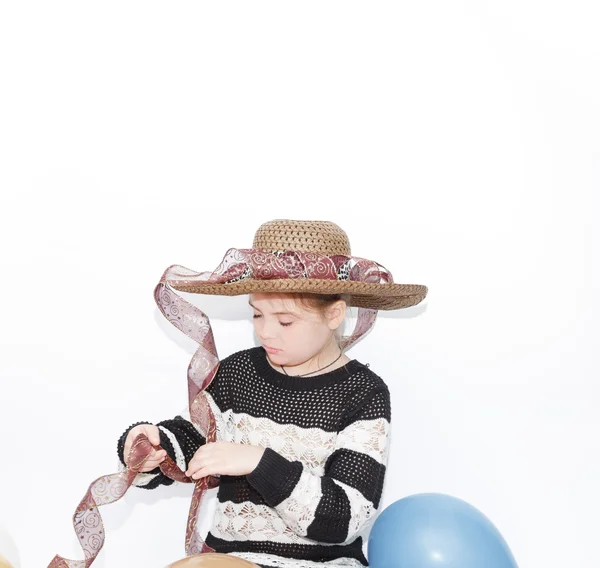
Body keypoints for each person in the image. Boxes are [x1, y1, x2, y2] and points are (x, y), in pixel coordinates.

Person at [116, 219, 427, 568]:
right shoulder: (237, 374)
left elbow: (343, 519)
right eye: (257, 314)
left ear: (334, 314)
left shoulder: (362, 394)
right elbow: (201, 444)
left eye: (285, 321)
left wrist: (257, 461)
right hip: (234, 557)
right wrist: (156, 446)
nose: (266, 332)